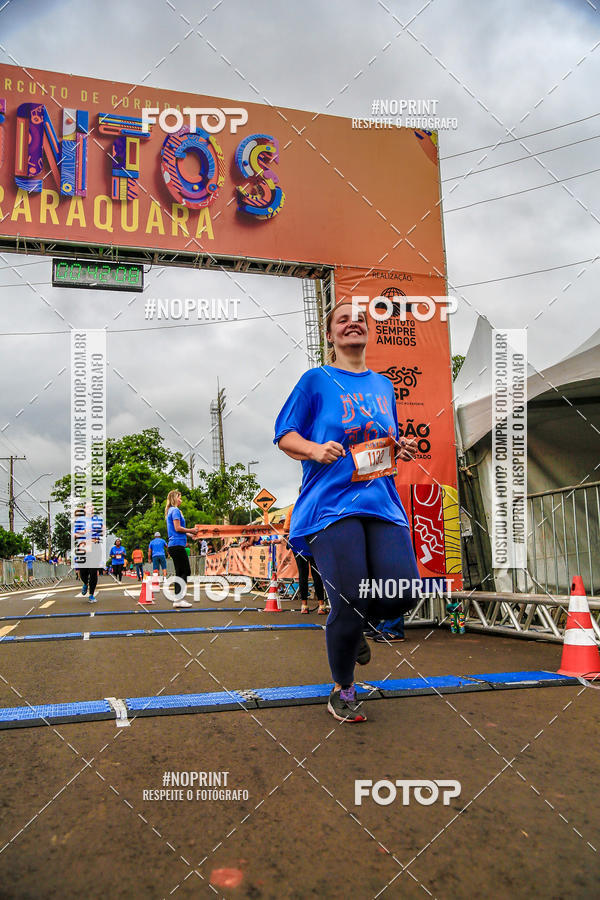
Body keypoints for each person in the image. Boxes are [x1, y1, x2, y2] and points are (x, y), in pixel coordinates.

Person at [274, 300, 419, 723]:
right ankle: (345, 687)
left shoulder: (383, 385)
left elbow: (379, 444)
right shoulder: (315, 380)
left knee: (403, 592)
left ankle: (352, 624)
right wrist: (315, 449)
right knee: (351, 597)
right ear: (331, 334)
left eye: (360, 318)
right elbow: (285, 434)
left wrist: (399, 447)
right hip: (330, 505)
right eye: (343, 319)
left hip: (380, 500)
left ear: (368, 331)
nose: (353, 323)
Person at [283, 499, 327, 614]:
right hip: (313, 542)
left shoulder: (293, 508)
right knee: (317, 573)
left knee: (302, 574)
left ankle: (304, 605)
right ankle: (321, 606)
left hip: (298, 544)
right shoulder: (315, 504)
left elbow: (286, 529)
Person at [165, 490, 198, 608]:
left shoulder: (171, 510)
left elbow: (176, 530)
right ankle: (178, 599)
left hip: (174, 545)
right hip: (177, 545)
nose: (181, 500)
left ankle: (177, 599)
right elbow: (178, 528)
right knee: (185, 571)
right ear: (174, 498)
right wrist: (191, 530)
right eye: (180, 498)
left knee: (180, 572)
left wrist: (190, 535)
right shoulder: (175, 510)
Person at [73, 503, 103, 603]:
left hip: (95, 546)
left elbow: (103, 531)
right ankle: (85, 583)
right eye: (89, 507)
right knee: (83, 571)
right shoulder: (80, 520)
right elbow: (74, 534)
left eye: (92, 507)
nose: (91, 509)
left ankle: (91, 595)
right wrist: (84, 532)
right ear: (85, 509)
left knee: (93, 571)